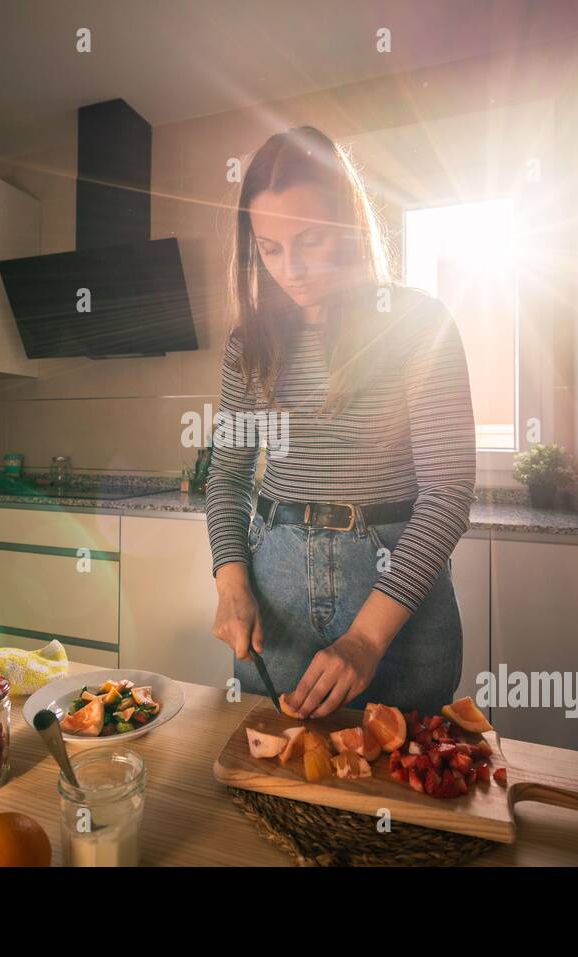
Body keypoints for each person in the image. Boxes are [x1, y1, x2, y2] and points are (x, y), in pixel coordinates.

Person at [205, 126, 477, 719]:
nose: (291, 270)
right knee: (274, 797)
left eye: (310, 242)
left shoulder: (417, 325)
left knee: (406, 793)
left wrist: (365, 639)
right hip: (273, 594)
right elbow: (226, 479)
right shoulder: (249, 345)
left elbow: (447, 492)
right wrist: (231, 584)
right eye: (271, 248)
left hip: (394, 603)